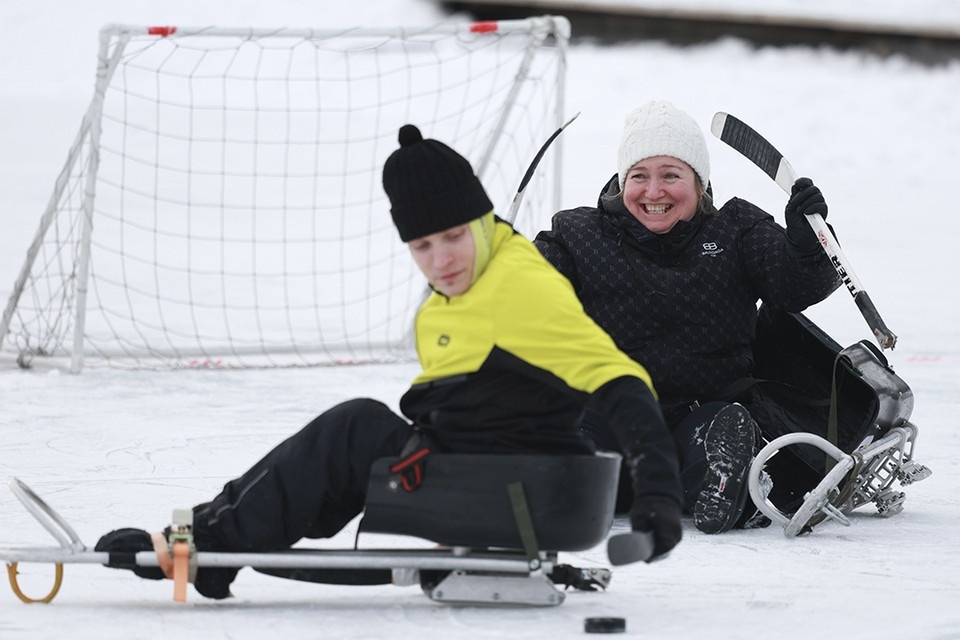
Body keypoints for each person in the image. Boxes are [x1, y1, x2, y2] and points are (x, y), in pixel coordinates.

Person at [96, 124, 683, 599]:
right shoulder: (460, 294)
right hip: (502, 485)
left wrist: (658, 493)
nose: (441, 259)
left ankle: (201, 546)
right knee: (347, 450)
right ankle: (207, 539)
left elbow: (618, 380)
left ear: (480, 220)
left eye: (453, 236)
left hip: (524, 494)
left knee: (356, 427)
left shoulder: (520, 285)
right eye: (422, 246)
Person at [534, 101, 841, 535]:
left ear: (698, 183)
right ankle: (570, 482)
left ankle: (735, 489)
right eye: (639, 176)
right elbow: (528, 294)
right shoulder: (577, 235)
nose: (653, 192)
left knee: (711, 448)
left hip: (704, 409)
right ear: (623, 182)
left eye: (671, 175)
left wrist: (808, 245)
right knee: (582, 440)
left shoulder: (737, 230)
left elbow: (795, 287)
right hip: (608, 409)